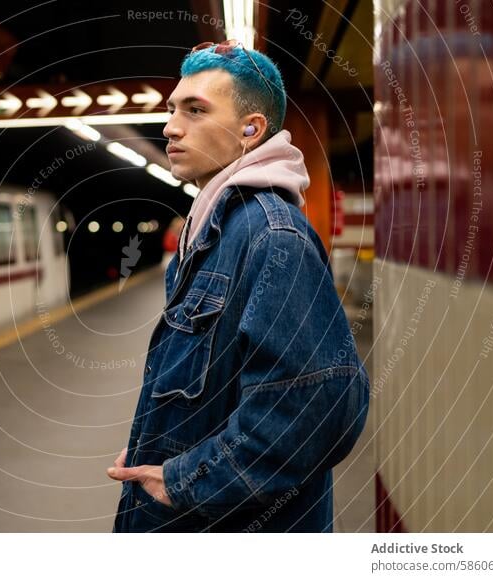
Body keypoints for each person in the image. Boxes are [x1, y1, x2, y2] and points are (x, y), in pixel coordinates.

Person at [107, 40, 370, 532]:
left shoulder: (271, 236)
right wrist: (157, 443)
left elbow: (319, 407)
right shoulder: (214, 230)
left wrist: (186, 478)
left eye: (195, 110)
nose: (169, 127)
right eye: (171, 109)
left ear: (251, 131)